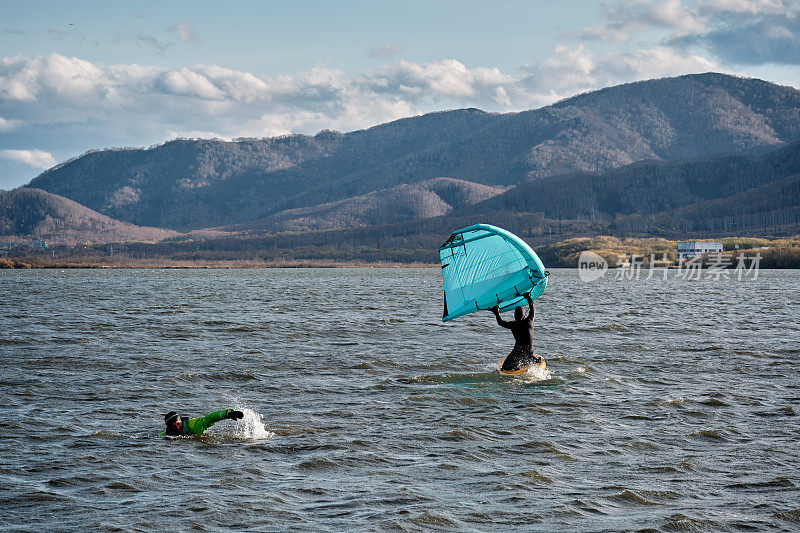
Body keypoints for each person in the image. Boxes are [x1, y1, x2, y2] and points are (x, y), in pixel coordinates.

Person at [491, 292, 542, 372]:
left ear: (515, 316)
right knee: (524, 358)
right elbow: (532, 309)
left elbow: (500, 322)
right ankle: (530, 359)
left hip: (518, 352)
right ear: (524, 315)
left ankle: (518, 366)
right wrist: (529, 298)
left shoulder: (513, 324)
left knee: (504, 367)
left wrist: (497, 313)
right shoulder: (529, 321)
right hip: (529, 351)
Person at [161, 409, 244, 436]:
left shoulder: (193, 425)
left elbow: (210, 418)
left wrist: (228, 414)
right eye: (174, 427)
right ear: (169, 427)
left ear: (181, 421)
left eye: (178, 424)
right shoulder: (167, 434)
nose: (178, 428)